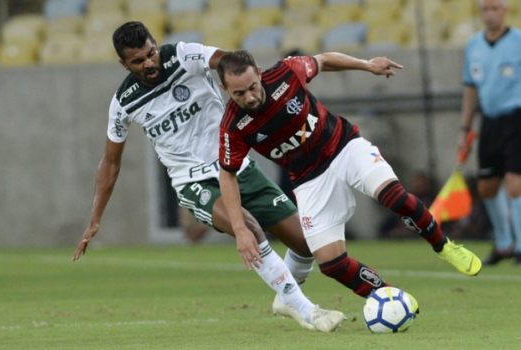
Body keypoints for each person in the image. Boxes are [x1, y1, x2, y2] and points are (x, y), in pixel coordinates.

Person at [72, 22, 345, 332]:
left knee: (307, 245)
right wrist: (95, 219)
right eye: (138, 61)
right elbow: (110, 162)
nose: (149, 63)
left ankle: (286, 295)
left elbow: (230, 63)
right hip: (194, 183)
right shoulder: (123, 103)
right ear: (123, 64)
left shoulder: (185, 56)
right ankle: (305, 309)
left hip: (237, 167)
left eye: (151, 53)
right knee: (249, 229)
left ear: (155, 44)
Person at [215, 49, 482, 301]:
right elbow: (227, 176)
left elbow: (325, 60)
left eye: (252, 87)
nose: (249, 97)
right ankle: (389, 298)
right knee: (331, 263)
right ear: (225, 89)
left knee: (394, 197)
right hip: (309, 179)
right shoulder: (232, 127)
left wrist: (368, 65)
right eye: (239, 93)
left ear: (259, 73)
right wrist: (240, 230)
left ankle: (444, 246)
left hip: (343, 146)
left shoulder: (286, 72)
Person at [458, 0, 521, 265]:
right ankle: (505, 244)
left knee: (515, 184)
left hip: (517, 118)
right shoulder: (474, 45)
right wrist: (465, 128)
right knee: (487, 188)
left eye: (495, 8)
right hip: (490, 122)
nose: (490, 14)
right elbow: (470, 90)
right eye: (485, 9)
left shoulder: (518, 40)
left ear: (505, 11)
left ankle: (520, 246)